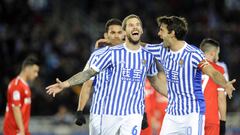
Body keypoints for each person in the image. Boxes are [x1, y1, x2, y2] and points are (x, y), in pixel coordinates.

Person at [46, 14, 168, 135]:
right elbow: (89, 74)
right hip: (109, 112)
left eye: (137, 25)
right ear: (125, 32)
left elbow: (155, 82)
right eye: (131, 25)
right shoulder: (111, 54)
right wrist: (66, 84)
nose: (135, 27)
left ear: (141, 30)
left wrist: (174, 96)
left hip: (133, 114)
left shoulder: (148, 55)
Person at [145, 16, 236, 135]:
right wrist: (126, 40)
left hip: (192, 114)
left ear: (172, 33)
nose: (159, 34)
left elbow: (211, 71)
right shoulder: (162, 50)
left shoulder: (193, 54)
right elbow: (143, 46)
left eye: (162, 30)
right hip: (172, 114)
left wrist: (224, 84)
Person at [75, 18, 125, 135]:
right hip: (100, 113)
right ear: (106, 35)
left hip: (125, 113)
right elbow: (87, 84)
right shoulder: (97, 56)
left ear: (124, 34)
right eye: (112, 33)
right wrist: (80, 110)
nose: (116, 36)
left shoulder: (133, 56)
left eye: (119, 32)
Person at [3, 55, 40, 135]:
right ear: (27, 69)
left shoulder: (25, 86)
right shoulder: (16, 85)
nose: (36, 74)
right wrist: (21, 130)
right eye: (35, 71)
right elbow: (16, 108)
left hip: (22, 129)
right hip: (14, 131)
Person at [200, 38, 227, 135]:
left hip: (193, 118)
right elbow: (221, 99)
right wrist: (223, 123)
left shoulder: (191, 68)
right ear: (212, 53)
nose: (218, 57)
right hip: (211, 119)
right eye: (218, 54)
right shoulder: (218, 70)